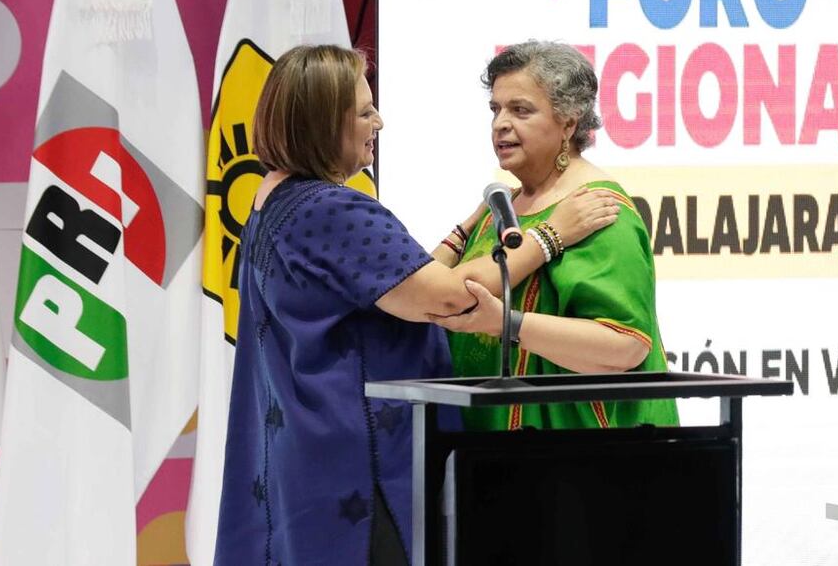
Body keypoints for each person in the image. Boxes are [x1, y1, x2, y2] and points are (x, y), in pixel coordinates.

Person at [213, 44, 618, 566]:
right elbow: (447, 300)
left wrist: (468, 227)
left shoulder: (274, 199)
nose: (378, 121)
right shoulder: (332, 208)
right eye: (362, 111)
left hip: (311, 463)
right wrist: (550, 235)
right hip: (364, 471)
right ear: (319, 124)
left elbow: (393, 289)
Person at [433, 40, 679, 431]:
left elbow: (624, 345)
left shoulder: (598, 209)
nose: (500, 123)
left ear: (569, 123)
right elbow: (441, 292)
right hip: (486, 448)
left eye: (520, 110)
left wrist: (508, 323)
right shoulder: (504, 206)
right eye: (495, 109)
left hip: (578, 460)